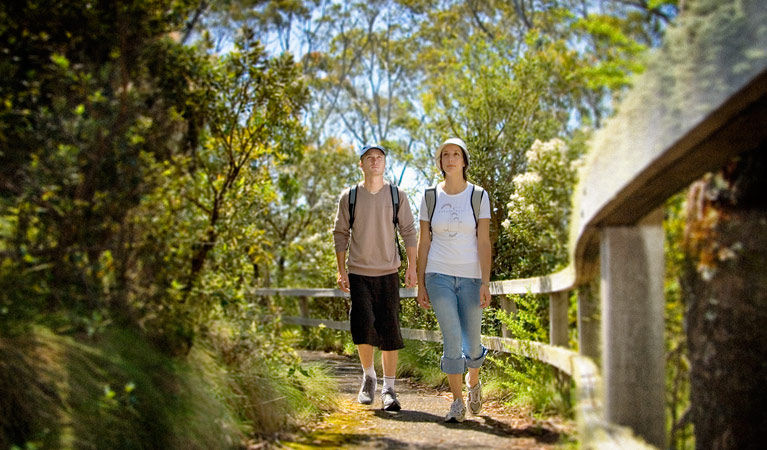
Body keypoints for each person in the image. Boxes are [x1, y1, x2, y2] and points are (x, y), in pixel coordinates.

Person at [333, 144, 418, 412]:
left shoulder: (396, 195)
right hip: (358, 272)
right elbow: (340, 233)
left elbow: (409, 231)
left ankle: (389, 389)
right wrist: (341, 269)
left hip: (388, 273)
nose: (374, 162)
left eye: (379, 158)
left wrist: (412, 267)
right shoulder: (350, 197)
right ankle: (368, 377)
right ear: (361, 164)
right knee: (363, 328)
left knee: (390, 329)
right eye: (369, 158)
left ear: (385, 164)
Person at [416, 137, 492, 423]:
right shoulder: (429, 196)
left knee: (472, 344)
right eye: (445, 154)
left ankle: (474, 384)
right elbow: (424, 242)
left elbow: (483, 242)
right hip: (439, 275)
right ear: (440, 162)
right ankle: (457, 402)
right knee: (451, 338)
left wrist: (485, 282)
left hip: (471, 277)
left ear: (464, 161)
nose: (450, 159)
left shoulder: (478, 195)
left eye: (455, 154)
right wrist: (421, 283)